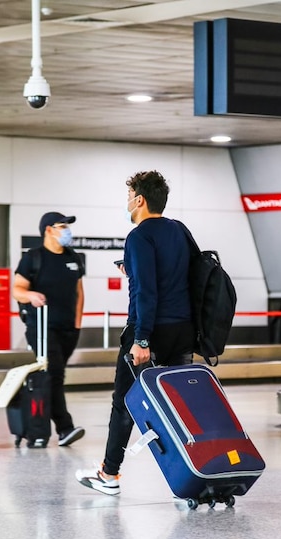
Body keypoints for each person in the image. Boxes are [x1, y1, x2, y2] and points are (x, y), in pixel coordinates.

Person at [75, 170, 193, 495]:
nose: (127, 201)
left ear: (140, 199)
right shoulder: (179, 231)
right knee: (178, 405)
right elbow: (187, 273)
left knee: (125, 402)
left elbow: (147, 291)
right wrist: (133, 268)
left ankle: (109, 475)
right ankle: (192, 475)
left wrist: (141, 339)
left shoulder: (140, 236)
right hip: (182, 332)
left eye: (129, 195)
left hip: (149, 334)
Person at [13, 211, 86, 447]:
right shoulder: (33, 258)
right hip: (42, 328)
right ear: (48, 229)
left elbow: (79, 292)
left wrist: (77, 324)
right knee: (54, 375)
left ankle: (53, 427)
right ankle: (65, 427)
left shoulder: (74, 257)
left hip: (68, 330)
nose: (67, 230)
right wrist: (30, 295)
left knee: (54, 377)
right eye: (62, 226)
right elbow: (17, 289)